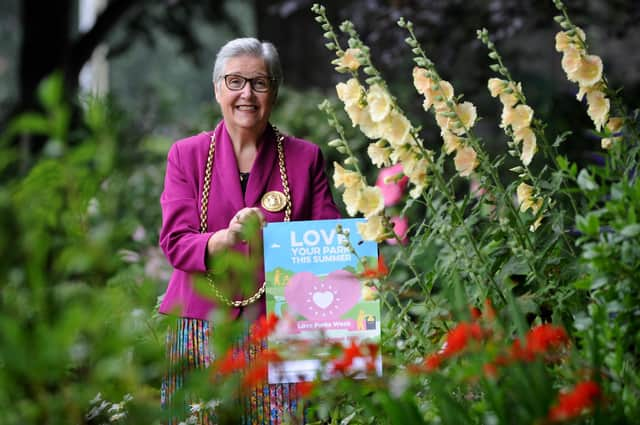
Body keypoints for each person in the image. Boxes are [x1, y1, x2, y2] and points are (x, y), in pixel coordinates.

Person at [158, 37, 340, 424]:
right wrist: (225, 238)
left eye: (259, 83)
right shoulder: (185, 154)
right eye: (235, 81)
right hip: (201, 324)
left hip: (280, 328)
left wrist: (362, 244)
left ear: (274, 91)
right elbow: (175, 242)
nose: (247, 94)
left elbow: (330, 244)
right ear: (217, 89)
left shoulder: (304, 157)